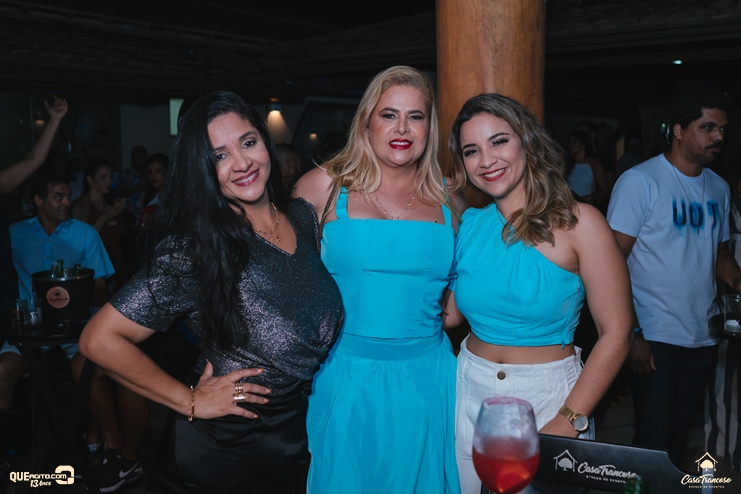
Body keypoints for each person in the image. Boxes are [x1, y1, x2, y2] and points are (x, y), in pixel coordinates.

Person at [79, 91, 344, 493]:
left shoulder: (301, 217)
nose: (242, 163)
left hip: (297, 427)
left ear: (265, 142)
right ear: (202, 169)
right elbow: (98, 339)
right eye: (219, 155)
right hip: (236, 441)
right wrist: (189, 400)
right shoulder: (195, 250)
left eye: (248, 142)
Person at [444, 94, 633, 494]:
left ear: (527, 142)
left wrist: (569, 418)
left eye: (499, 141)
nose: (486, 160)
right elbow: (452, 314)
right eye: (471, 150)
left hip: (548, 398)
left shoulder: (581, 223)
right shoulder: (472, 224)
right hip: (470, 389)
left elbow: (617, 333)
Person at [294, 65, 467, 494]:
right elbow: (282, 284)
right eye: (389, 115)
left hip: (429, 380)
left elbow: (457, 305)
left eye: (415, 116)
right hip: (344, 377)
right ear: (366, 121)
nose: (402, 128)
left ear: (429, 127)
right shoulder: (321, 188)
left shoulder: (450, 198)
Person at [607, 90, 739, 467]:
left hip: (703, 334)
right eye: (708, 127)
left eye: (722, 129)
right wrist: (631, 334)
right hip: (654, 334)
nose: (718, 136)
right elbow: (610, 264)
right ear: (679, 130)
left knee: (680, 436)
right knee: (654, 438)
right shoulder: (640, 182)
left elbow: (719, 254)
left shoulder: (718, 188)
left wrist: (738, 282)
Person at [71, 158, 127, 287]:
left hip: (117, 264)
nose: (108, 181)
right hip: (95, 268)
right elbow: (81, 241)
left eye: (110, 177)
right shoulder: (80, 205)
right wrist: (104, 217)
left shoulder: (110, 203)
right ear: (90, 179)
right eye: (103, 177)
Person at [136, 154, 169, 254]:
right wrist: (143, 228)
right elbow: (140, 230)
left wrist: (154, 222)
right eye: (150, 172)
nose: (153, 176)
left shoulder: (175, 197)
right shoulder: (148, 197)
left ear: (168, 172)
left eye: (158, 171)